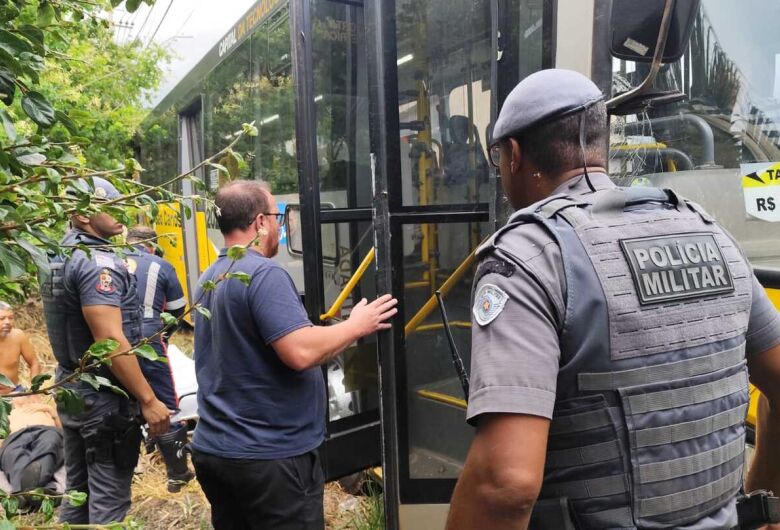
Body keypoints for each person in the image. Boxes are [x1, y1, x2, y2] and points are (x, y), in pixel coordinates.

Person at [446, 69, 780, 530]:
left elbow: (506, 484)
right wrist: (762, 500)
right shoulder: (710, 233)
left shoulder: (528, 258)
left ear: (514, 156)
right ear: (602, 145)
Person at [191, 180, 398, 530]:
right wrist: (357, 325)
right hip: (268, 459)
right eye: (276, 216)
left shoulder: (211, 277)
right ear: (259, 222)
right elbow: (300, 351)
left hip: (217, 451)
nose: (278, 225)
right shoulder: (264, 273)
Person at [40, 177, 170, 524]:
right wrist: (148, 399)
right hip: (102, 398)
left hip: (71, 387)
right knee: (108, 501)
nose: (120, 213)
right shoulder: (97, 264)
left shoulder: (58, 253)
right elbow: (110, 342)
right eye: (109, 207)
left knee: (78, 491)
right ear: (82, 216)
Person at [125, 226, 193, 493]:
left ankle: (129, 471)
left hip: (111, 342)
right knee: (165, 402)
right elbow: (177, 309)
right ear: (151, 245)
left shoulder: (108, 259)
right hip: (148, 337)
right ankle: (177, 475)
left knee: (125, 400)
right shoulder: (160, 264)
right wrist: (162, 336)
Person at [0, 302, 41, 393]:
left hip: (14, 391)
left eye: (10, 318)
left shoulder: (18, 336)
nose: (7, 322)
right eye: (2, 318)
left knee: (42, 407)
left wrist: (34, 389)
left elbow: (34, 363)